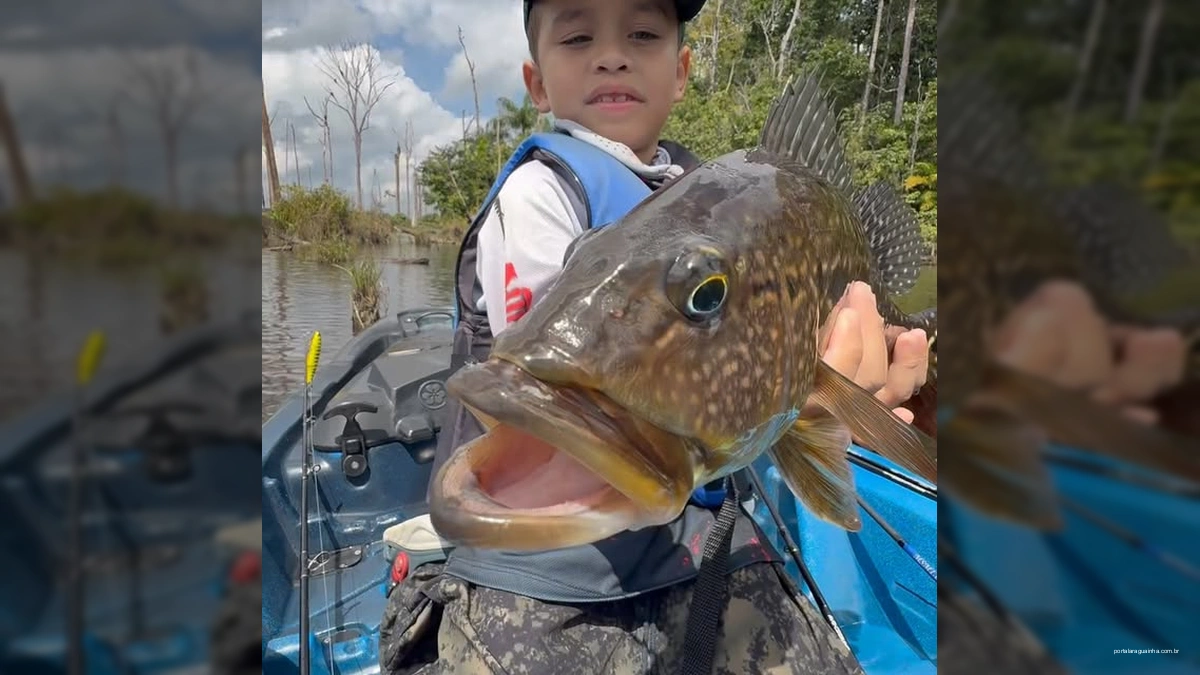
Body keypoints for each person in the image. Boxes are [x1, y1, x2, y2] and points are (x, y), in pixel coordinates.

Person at [378, 2, 932, 674]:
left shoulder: (703, 190)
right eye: (578, 35)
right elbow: (573, 382)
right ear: (537, 84)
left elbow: (784, 391)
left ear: (682, 72)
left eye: (643, 33)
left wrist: (837, 408)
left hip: (691, 545)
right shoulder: (539, 193)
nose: (612, 54)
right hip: (546, 581)